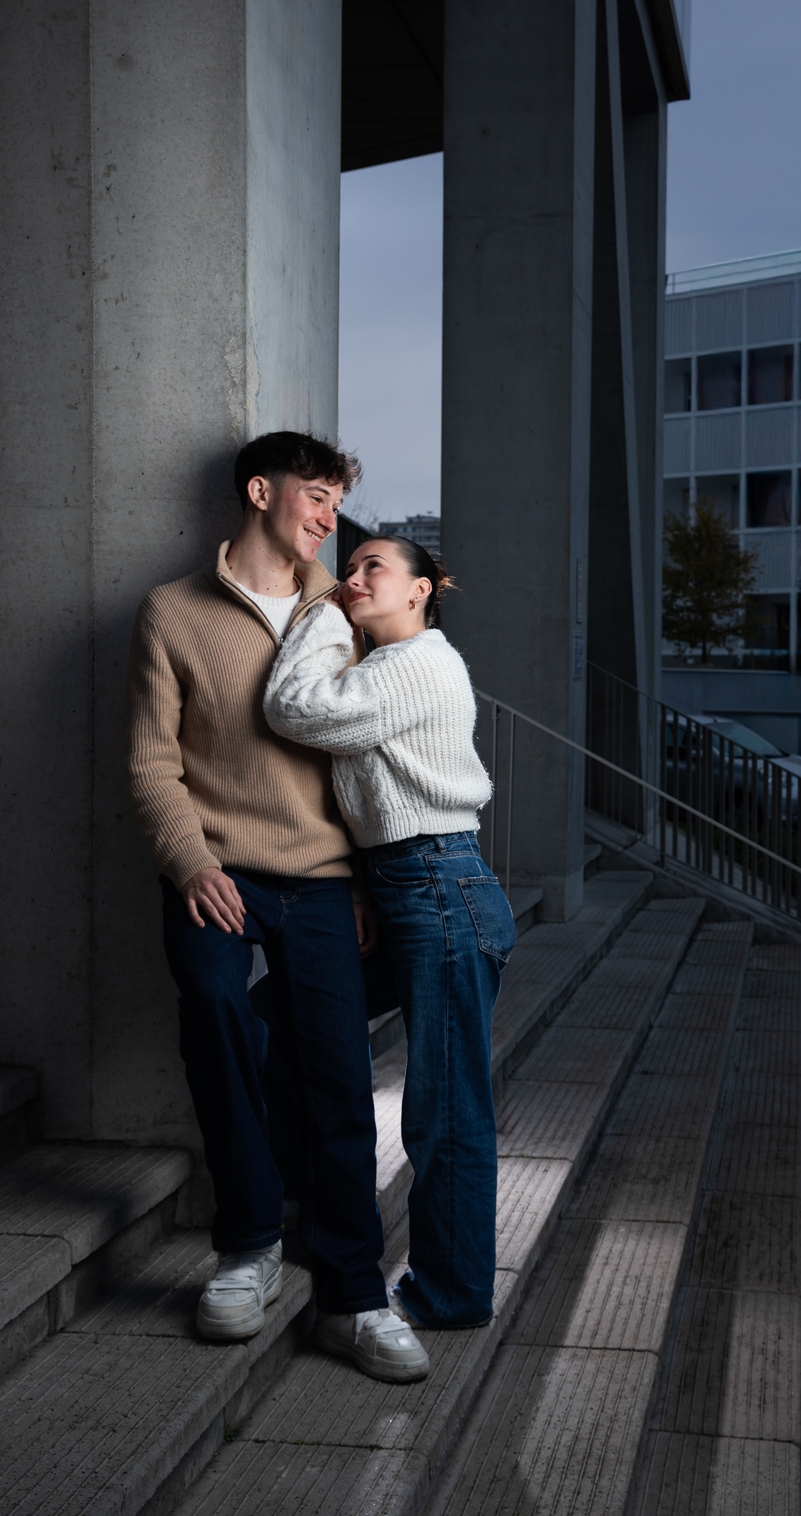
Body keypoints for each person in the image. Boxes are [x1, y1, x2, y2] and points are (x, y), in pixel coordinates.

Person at [125, 432, 428, 1382]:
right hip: (217, 868)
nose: (329, 519)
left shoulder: (340, 605)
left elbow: (371, 750)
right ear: (261, 492)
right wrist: (188, 864)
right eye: (316, 496)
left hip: (325, 876)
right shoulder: (173, 611)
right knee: (215, 1011)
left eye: (337, 502)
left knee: (337, 1072)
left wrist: (367, 881)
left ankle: (352, 1295)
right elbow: (150, 764)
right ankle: (248, 1245)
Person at [264, 535, 515, 1329]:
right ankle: (303, 1207)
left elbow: (294, 709)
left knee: (444, 1108)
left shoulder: (415, 663)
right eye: (348, 568)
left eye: (374, 566)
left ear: (420, 590)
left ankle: (451, 1293)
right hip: (407, 884)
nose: (353, 578)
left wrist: (319, 615)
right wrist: (363, 888)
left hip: (441, 888)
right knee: (281, 1015)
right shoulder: (381, 668)